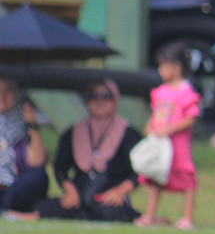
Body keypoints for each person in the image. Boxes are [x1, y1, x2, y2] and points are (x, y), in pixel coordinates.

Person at [32, 79, 142, 223]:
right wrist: (70, 191)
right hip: (79, 196)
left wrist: (120, 191)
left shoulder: (128, 133)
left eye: (106, 96)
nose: (99, 101)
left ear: (115, 100)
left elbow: (139, 171)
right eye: (94, 96)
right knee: (46, 208)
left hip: (109, 196)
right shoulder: (74, 132)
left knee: (111, 212)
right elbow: (61, 168)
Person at [135, 44, 202, 230]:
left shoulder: (186, 92)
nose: (161, 70)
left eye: (164, 66)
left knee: (186, 178)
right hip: (160, 144)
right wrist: (150, 126)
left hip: (178, 145)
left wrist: (170, 130)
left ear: (177, 67)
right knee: (156, 177)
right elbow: (156, 113)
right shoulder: (161, 92)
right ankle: (150, 215)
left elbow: (192, 117)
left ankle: (187, 217)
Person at [0, 76, 48, 217]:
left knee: (38, 177)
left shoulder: (23, 121)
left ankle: (7, 211)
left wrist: (32, 126)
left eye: (7, 91)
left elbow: (36, 162)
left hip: (13, 187)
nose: (2, 96)